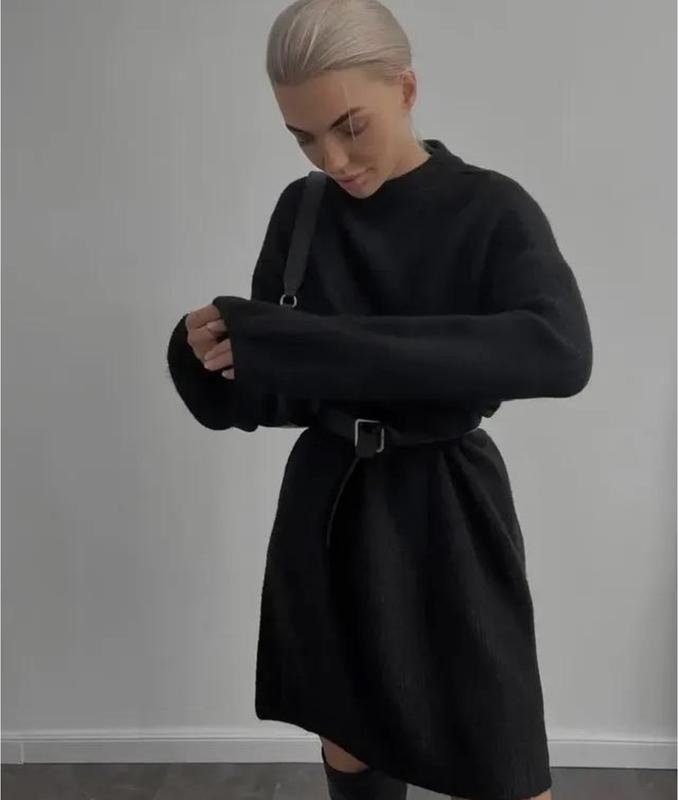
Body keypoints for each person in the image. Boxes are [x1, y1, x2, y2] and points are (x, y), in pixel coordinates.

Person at [166, 1, 593, 798]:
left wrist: (324, 346)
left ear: (406, 88)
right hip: (330, 503)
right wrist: (204, 361)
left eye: (349, 126)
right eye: (303, 137)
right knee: (351, 738)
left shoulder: (490, 209)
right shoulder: (302, 214)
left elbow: (560, 352)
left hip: (447, 505)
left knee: (502, 754)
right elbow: (281, 394)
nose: (331, 158)